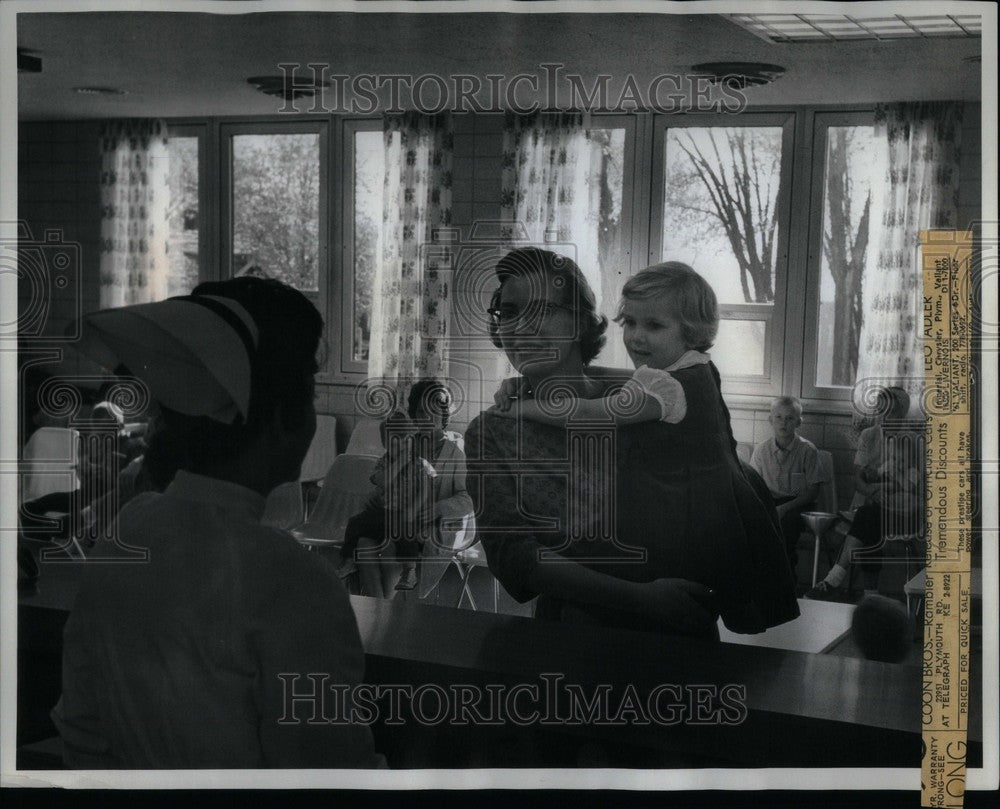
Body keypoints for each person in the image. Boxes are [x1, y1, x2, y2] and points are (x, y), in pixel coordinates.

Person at [52, 277, 384, 768]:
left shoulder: (127, 531)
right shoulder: (294, 581)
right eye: (310, 391)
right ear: (280, 420)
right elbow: (330, 775)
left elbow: (81, 728)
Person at [466, 250, 797, 636]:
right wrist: (641, 598)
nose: (521, 326)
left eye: (540, 309)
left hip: (686, 624)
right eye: (508, 312)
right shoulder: (493, 431)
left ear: (579, 320)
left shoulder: (646, 391)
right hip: (579, 636)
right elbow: (513, 557)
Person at [344, 380, 474, 597]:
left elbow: (469, 499)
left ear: (443, 415)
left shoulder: (455, 454)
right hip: (397, 517)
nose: (427, 417)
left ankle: (385, 612)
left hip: (433, 524)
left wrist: (439, 508)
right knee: (364, 544)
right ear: (414, 413)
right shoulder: (406, 443)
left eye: (434, 410)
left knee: (388, 548)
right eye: (422, 411)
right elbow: (390, 479)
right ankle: (380, 608)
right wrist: (377, 497)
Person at [806, 386, 923, 600]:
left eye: (891, 412)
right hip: (871, 506)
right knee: (870, 519)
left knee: (869, 517)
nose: (885, 417)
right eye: (881, 410)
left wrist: (880, 487)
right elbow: (858, 479)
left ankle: (835, 580)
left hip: (903, 512)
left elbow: (914, 483)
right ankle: (870, 595)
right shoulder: (868, 436)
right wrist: (874, 489)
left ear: (901, 413)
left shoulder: (913, 440)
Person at [749, 396, 828, 571]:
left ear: (799, 422)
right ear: (770, 420)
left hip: (799, 505)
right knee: (753, 527)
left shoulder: (807, 450)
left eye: (790, 418)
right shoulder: (761, 450)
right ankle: (761, 577)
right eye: (778, 417)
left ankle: (787, 579)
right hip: (770, 502)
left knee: (785, 530)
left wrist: (784, 508)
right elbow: (754, 485)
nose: (783, 423)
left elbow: (813, 491)